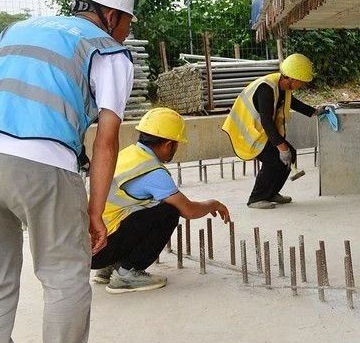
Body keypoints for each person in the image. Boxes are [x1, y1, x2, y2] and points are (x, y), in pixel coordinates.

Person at [0, 0, 135, 343]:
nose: (127, 31)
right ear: (111, 14)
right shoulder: (107, 50)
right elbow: (107, 139)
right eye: (127, 21)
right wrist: (95, 210)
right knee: (65, 273)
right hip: (43, 160)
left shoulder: (14, 31)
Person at [91, 108, 230, 293]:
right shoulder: (152, 171)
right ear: (168, 144)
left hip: (88, 247)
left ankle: (109, 268)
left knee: (147, 206)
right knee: (168, 212)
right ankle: (126, 274)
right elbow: (188, 210)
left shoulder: (127, 155)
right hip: (101, 250)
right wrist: (213, 204)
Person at [222, 52, 325, 209]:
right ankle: (256, 198)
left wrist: (314, 112)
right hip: (247, 133)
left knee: (290, 154)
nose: (302, 85)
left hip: (260, 132)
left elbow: (293, 103)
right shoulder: (266, 88)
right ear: (292, 78)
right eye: (302, 82)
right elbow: (267, 122)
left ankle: (271, 193)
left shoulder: (282, 87)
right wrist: (281, 147)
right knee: (273, 159)